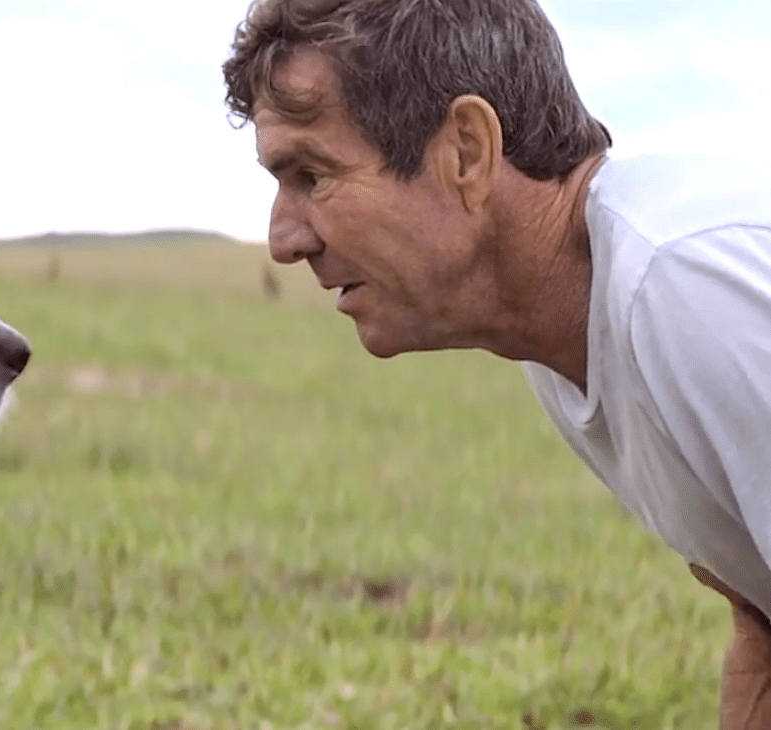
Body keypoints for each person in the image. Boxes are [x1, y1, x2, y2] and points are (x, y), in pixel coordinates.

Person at [221, 0, 771, 726]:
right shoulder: (559, 329)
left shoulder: (677, 285)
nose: (283, 239)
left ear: (467, 153)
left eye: (311, 175)